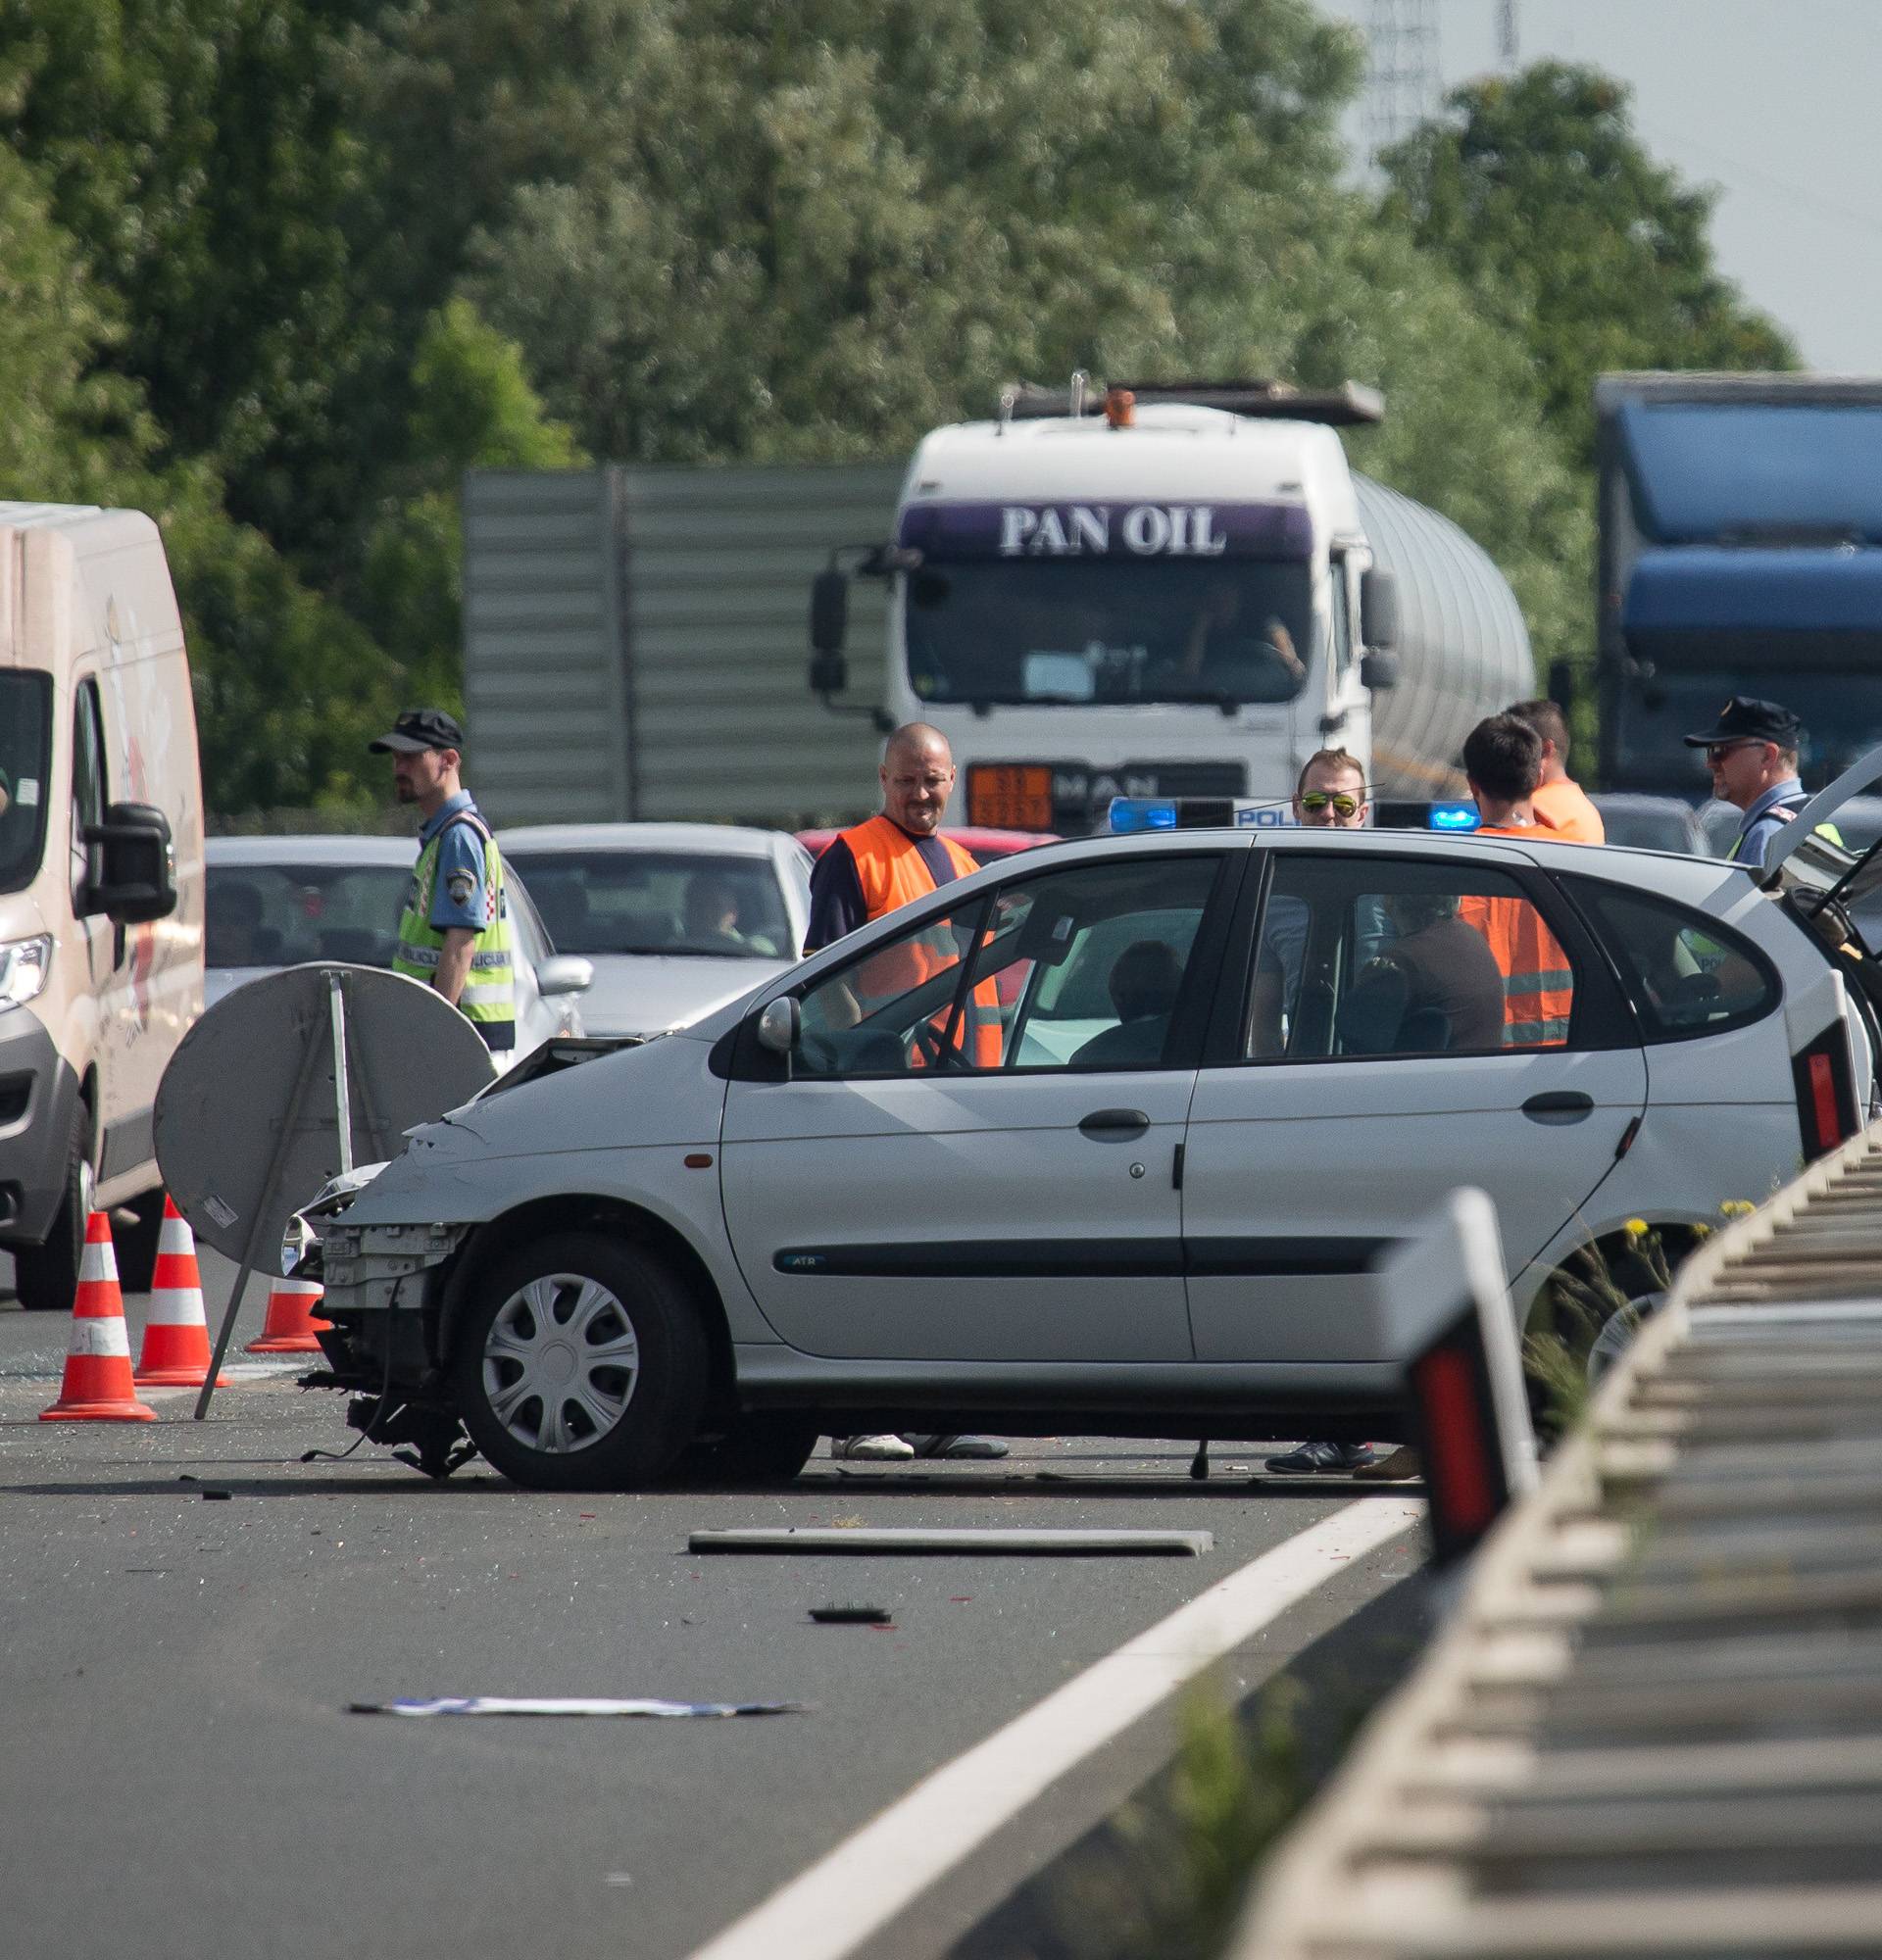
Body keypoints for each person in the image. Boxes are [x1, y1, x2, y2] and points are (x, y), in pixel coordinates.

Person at [808, 722, 1008, 1465]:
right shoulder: (852, 856)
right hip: (883, 1092)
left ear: (951, 779)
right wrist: (868, 1062)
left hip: (962, 1094)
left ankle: (936, 1415)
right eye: (906, 780)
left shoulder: (960, 862)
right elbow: (823, 981)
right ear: (882, 780)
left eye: (933, 780)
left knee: (944, 1265)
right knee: (876, 1261)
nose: (921, 794)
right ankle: (862, 1418)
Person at [371, 708, 516, 1053]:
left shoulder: (458, 837)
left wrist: (437, 1033)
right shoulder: (446, 835)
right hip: (464, 1032)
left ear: (448, 759)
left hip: (464, 1035)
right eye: (395, 758)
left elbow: (460, 944)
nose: (398, 768)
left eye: (410, 757)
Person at [1457, 714, 1575, 1048]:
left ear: (1473, 785)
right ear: (1538, 777)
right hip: (1569, 1054)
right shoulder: (1578, 863)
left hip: (1485, 1061)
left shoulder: (1456, 867)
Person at [1682, 695, 1816, 867]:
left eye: (1720, 750)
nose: (1710, 763)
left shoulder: (1768, 832)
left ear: (1767, 756)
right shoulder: (1810, 813)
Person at [1506, 699, 1605, 843]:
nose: (1503, 758)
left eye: (1514, 749)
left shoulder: (1531, 809)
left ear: (1545, 751)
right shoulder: (1588, 811)